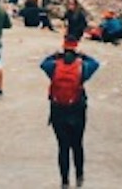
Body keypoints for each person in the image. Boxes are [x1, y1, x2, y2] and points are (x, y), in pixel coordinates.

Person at [40, 39, 101, 188]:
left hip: (58, 111)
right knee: (77, 144)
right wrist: (83, 55)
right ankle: (79, 176)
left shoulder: (53, 67)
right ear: (76, 50)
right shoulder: (82, 67)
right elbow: (96, 63)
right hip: (77, 110)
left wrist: (56, 55)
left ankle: (65, 181)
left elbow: (43, 63)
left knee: (63, 147)